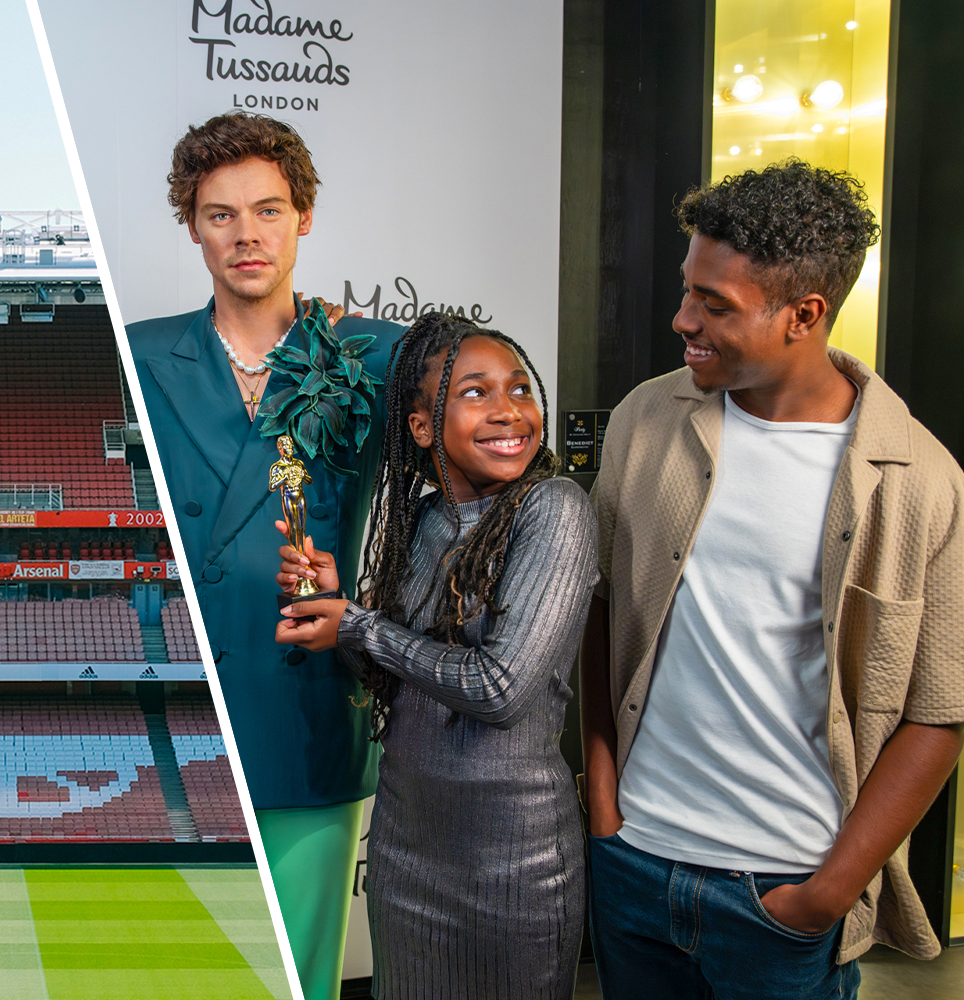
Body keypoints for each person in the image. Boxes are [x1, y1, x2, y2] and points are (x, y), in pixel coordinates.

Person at [581, 160, 964, 999]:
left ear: (805, 315)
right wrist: (604, 806)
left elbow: (939, 714)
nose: (683, 319)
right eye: (689, 290)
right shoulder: (646, 419)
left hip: (784, 892)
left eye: (715, 305)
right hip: (636, 861)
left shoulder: (919, 479)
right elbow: (603, 611)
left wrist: (826, 892)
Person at [125, 111, 398, 1000]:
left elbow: (497, 420)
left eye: (268, 210)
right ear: (193, 227)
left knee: (297, 977)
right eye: (220, 215)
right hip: (173, 705)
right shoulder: (139, 350)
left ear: (303, 218)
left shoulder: (373, 354)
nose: (247, 234)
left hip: (305, 703)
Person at [277, 312, 597, 999]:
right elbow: (391, 675)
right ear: (421, 427)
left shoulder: (554, 509)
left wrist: (359, 625)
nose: (509, 411)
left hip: (514, 863)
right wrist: (334, 606)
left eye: (519, 389)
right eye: (476, 393)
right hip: (406, 851)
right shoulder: (417, 521)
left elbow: (500, 691)